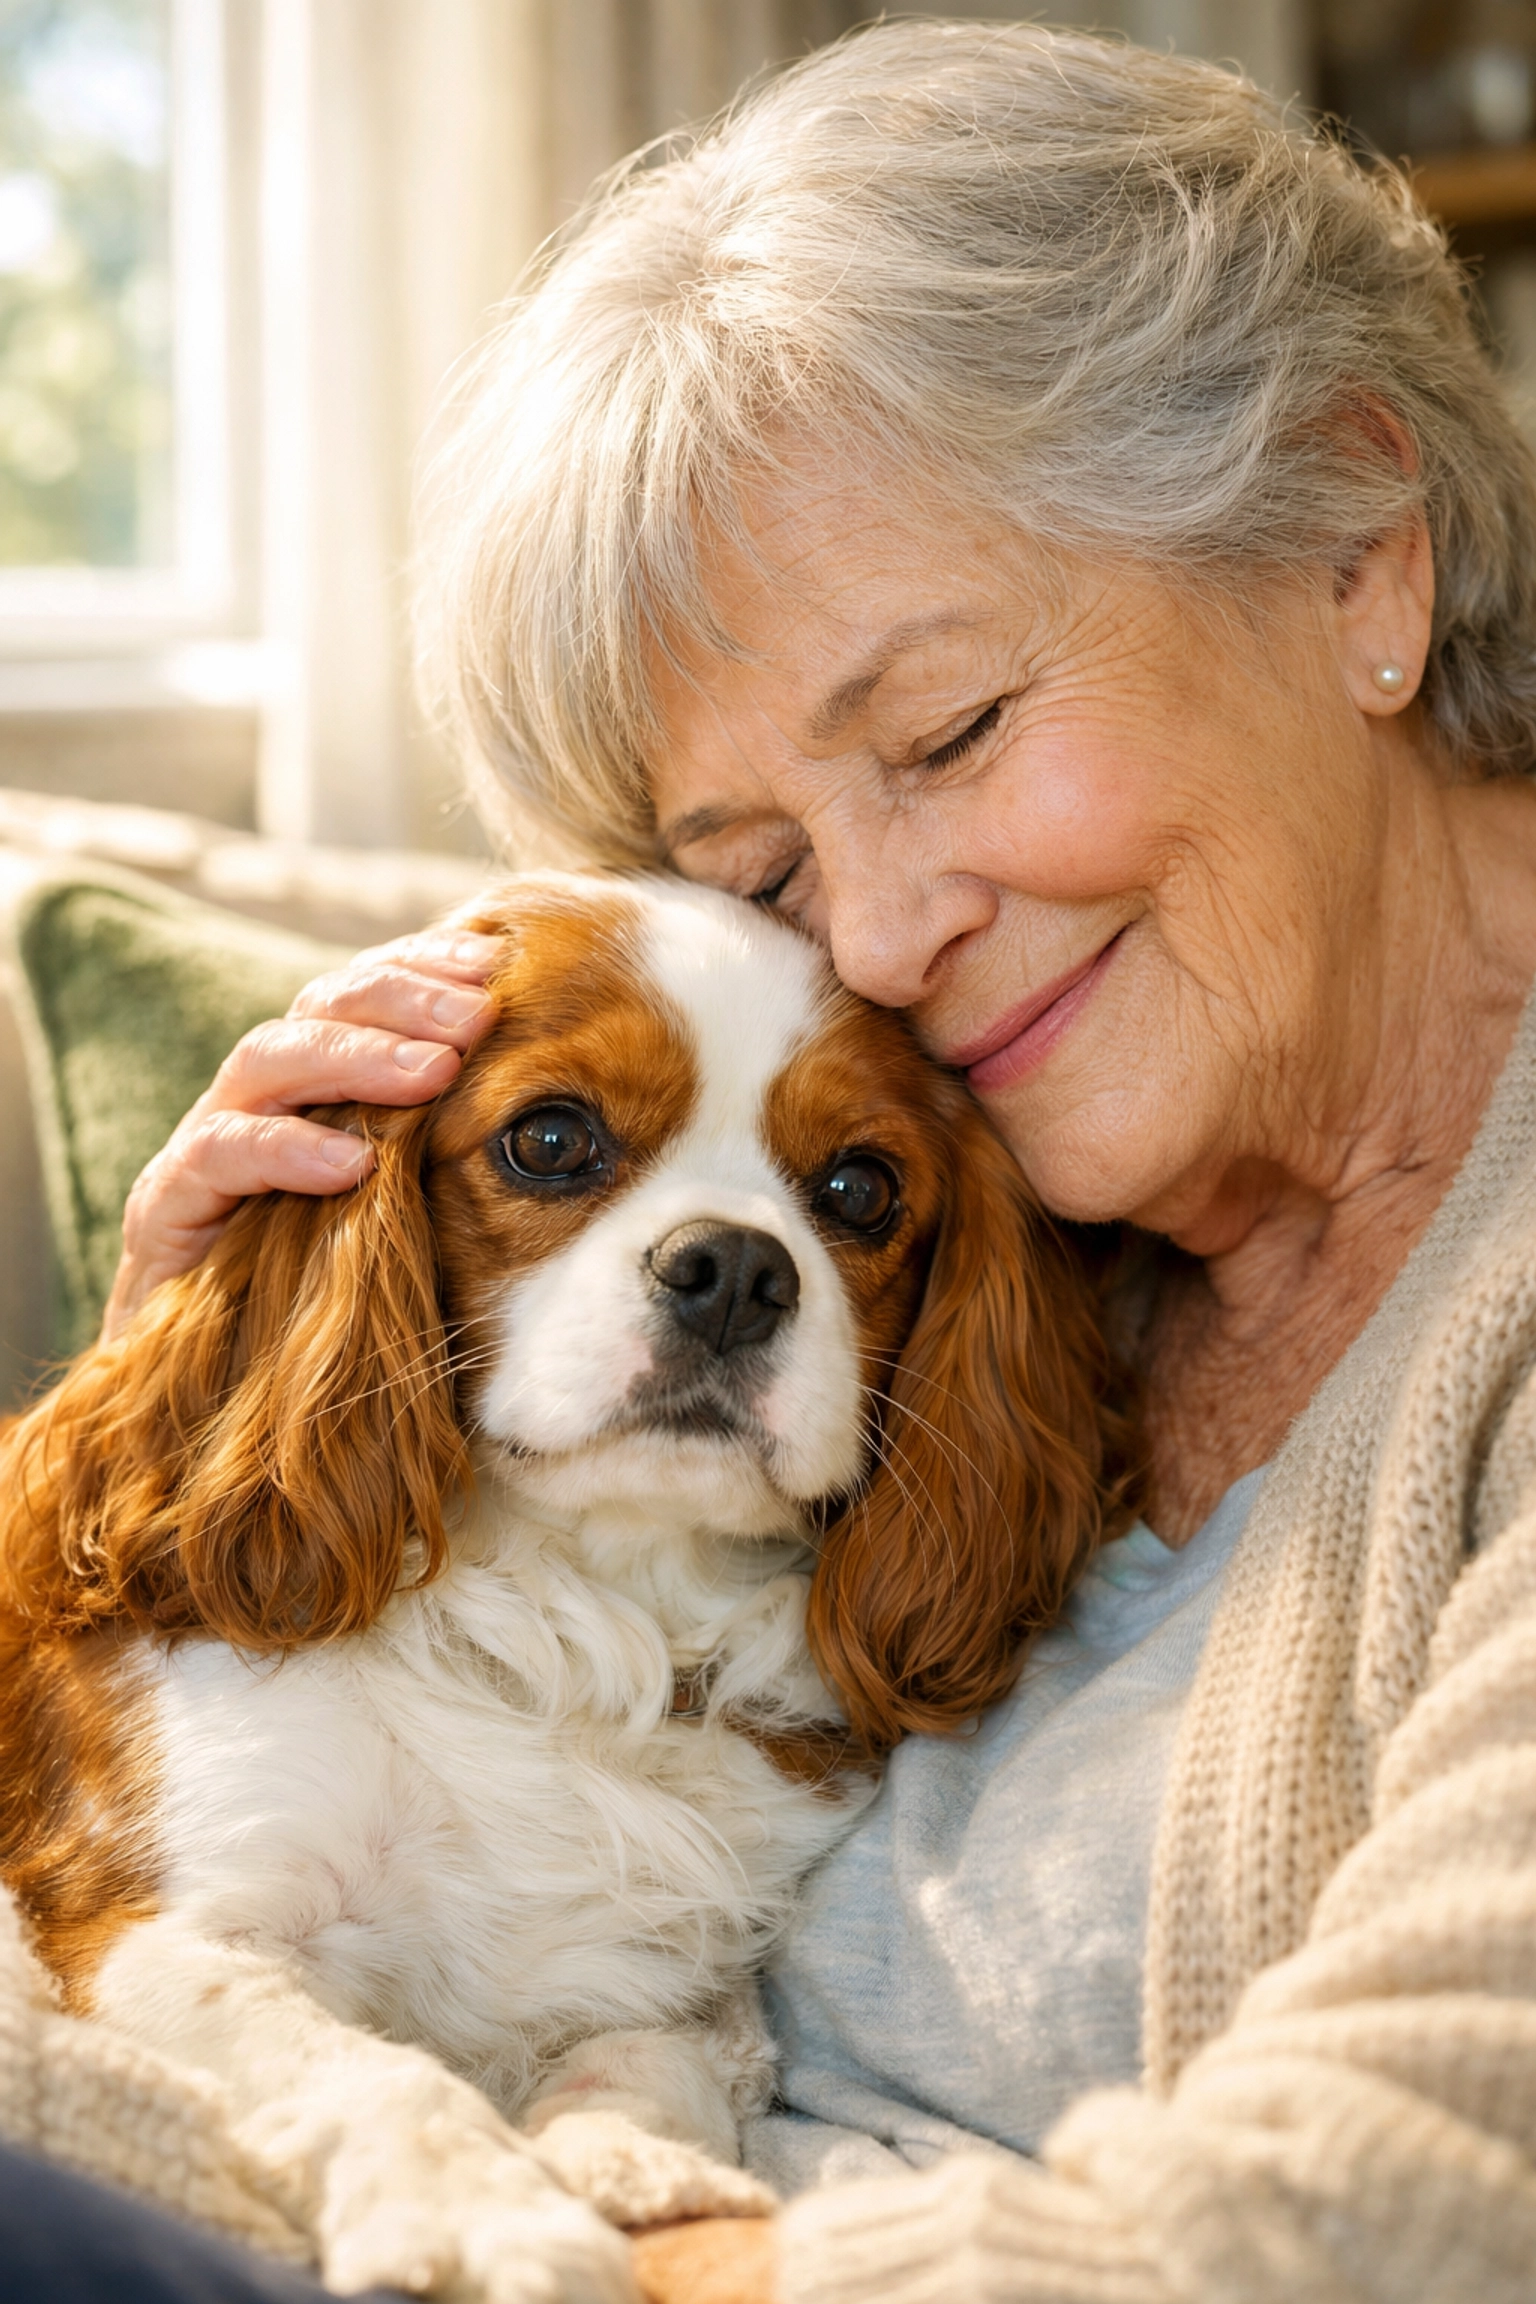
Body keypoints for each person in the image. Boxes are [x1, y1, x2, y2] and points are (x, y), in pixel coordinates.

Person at [98, 23, 1536, 2304]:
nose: (876, 938)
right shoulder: (1026, 1192)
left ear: (1361, 551)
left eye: (952, 731)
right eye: (753, 863)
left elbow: (1417, 2206)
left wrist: (584, 2267)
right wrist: (222, 1377)